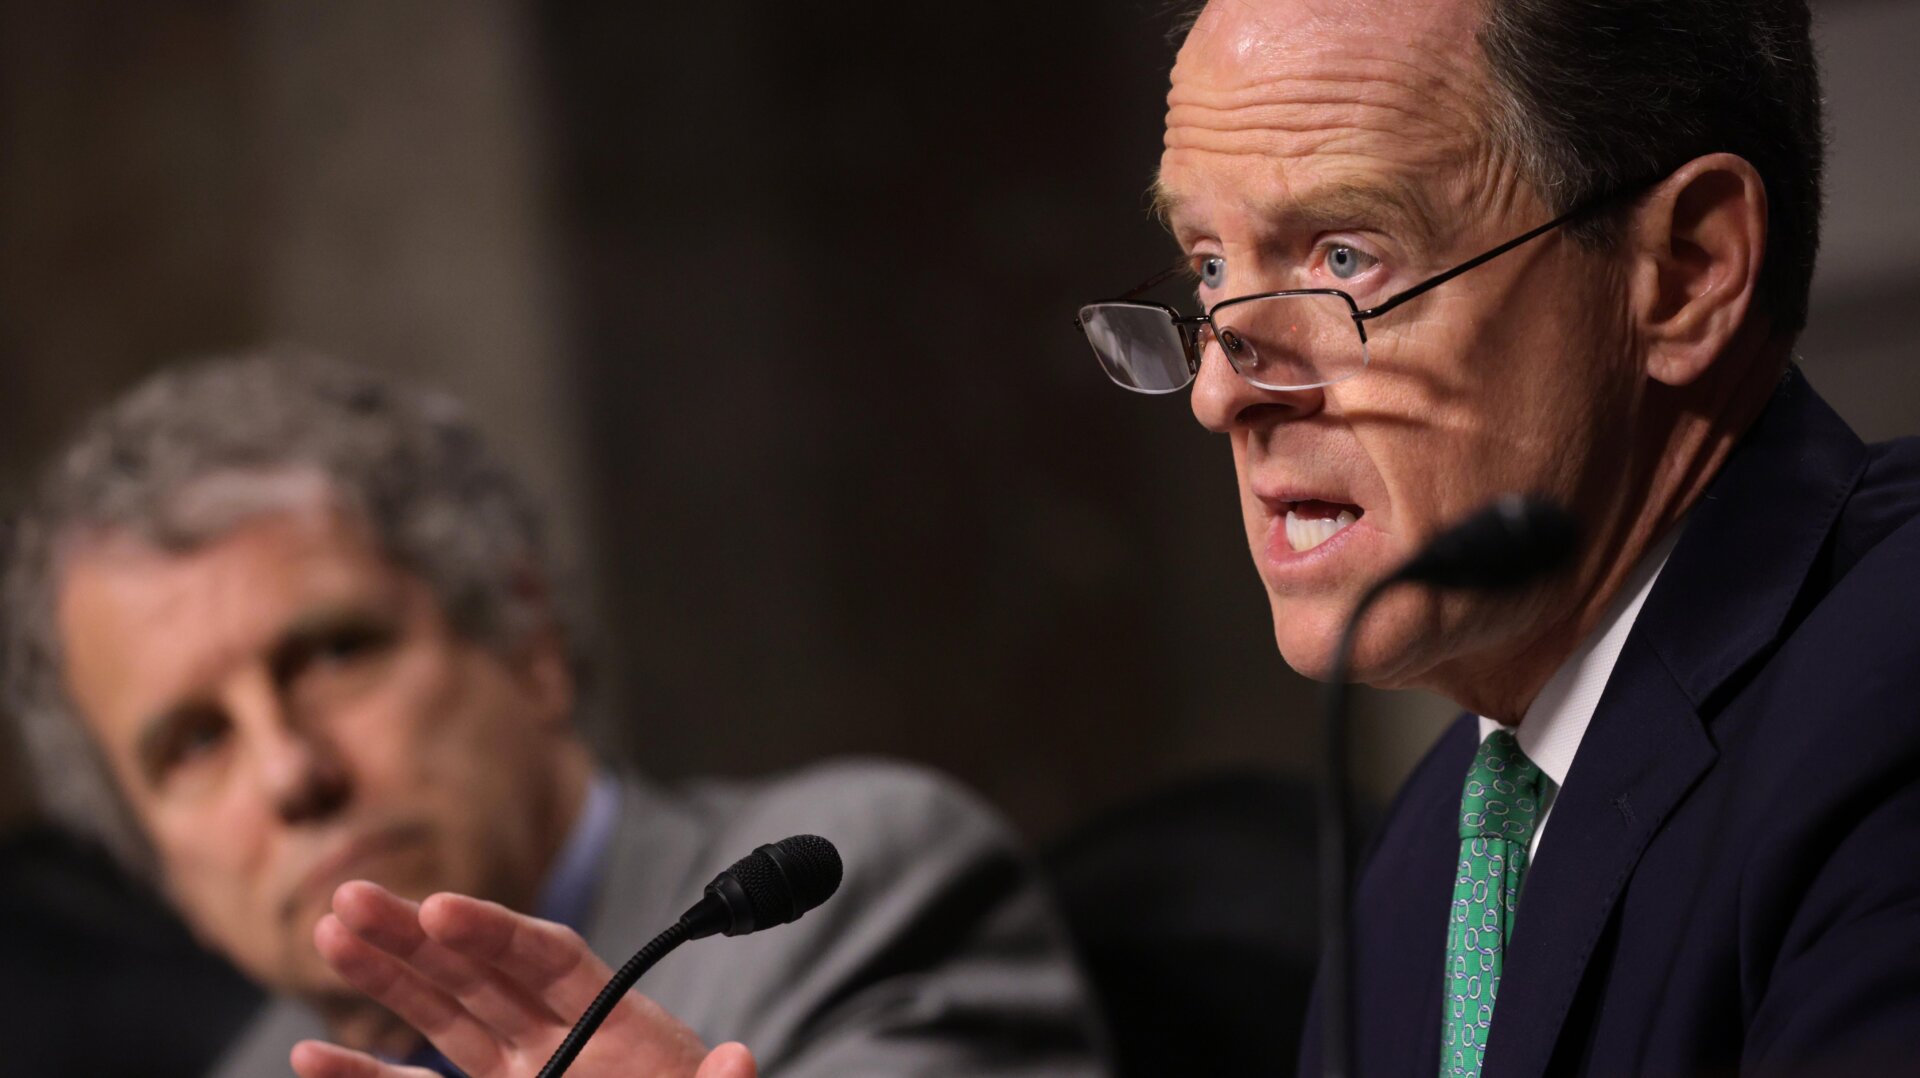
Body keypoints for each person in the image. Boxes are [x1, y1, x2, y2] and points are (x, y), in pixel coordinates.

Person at [1076, 0, 1920, 1074]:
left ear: (1687, 269)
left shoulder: (1892, 695)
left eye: (1344, 256)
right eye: (1208, 267)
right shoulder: (1419, 874)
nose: (1219, 391)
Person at [2, 354, 1106, 1077]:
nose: (290, 773)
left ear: (524, 639)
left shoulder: (849, 892)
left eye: (336, 653)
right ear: (153, 859)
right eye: (195, 743)